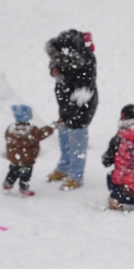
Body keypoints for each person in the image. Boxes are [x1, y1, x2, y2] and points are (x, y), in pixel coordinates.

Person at [44, 29, 98, 190]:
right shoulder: (62, 54)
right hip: (65, 105)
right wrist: (54, 69)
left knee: (77, 140)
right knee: (64, 137)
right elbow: (55, 62)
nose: (57, 61)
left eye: (60, 59)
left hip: (81, 108)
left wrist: (67, 115)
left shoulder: (86, 61)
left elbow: (82, 93)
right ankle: (63, 167)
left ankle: (76, 175)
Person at [2, 104, 54, 197]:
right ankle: (23, 188)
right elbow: (41, 134)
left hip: (14, 158)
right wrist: (51, 127)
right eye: (30, 114)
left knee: (13, 171)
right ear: (26, 116)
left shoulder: (11, 128)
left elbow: (6, 137)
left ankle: (7, 184)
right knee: (25, 174)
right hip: (27, 159)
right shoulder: (31, 130)